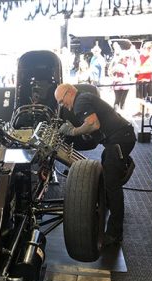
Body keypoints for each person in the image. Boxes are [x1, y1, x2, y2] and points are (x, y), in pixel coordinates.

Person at [55, 84, 136, 246]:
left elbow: (93, 124)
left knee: (113, 185)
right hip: (119, 139)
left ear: (70, 92)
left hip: (120, 140)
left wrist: (73, 131)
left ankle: (114, 234)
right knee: (107, 175)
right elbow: (95, 125)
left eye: (63, 101)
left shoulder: (80, 102)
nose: (64, 105)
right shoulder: (84, 98)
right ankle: (105, 206)